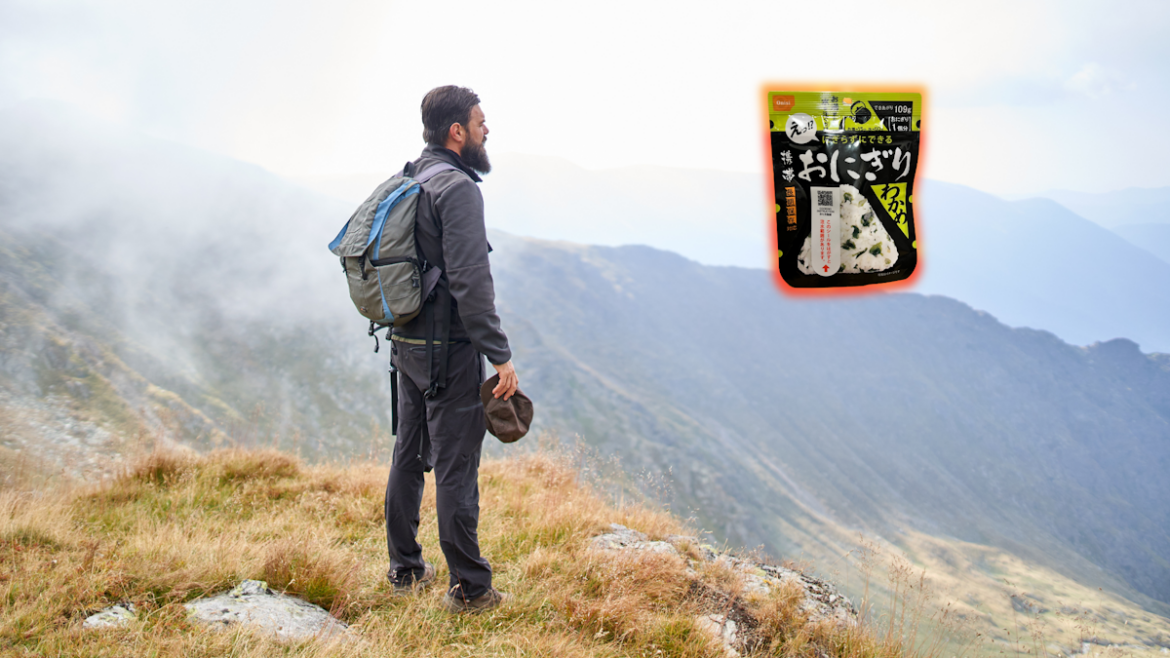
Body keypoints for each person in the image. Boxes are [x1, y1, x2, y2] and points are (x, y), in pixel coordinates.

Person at [383, 85, 519, 614]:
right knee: (456, 467)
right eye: (481, 122)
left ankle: (405, 568)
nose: (488, 130)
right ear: (457, 131)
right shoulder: (458, 188)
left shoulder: (411, 176)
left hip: (406, 346)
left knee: (408, 456)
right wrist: (499, 354)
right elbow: (470, 279)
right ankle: (471, 589)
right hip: (450, 352)